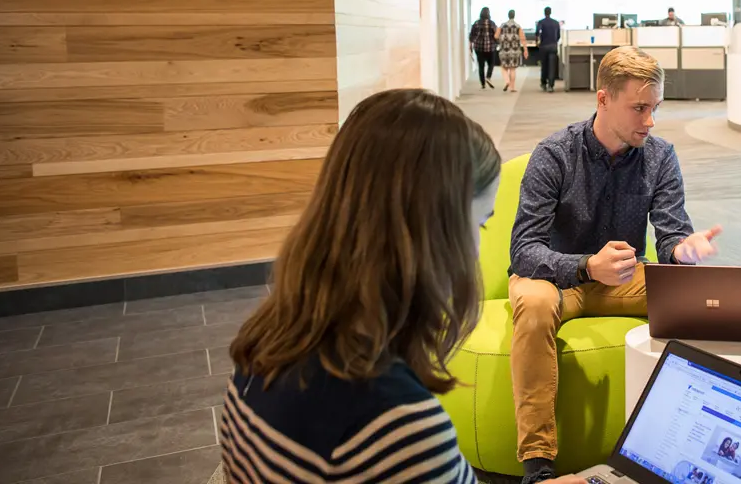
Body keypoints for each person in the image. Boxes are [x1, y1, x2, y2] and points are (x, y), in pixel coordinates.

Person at [218, 89, 585, 484]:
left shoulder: (262, 349)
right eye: (478, 223)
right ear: (431, 231)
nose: (477, 247)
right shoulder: (395, 423)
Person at [508, 46, 722, 483]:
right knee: (531, 306)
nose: (651, 121)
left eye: (655, 107)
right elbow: (523, 250)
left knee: (705, 298)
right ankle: (538, 467)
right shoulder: (554, 154)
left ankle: (678, 452)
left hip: (621, 281)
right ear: (603, 99)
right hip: (554, 280)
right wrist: (587, 265)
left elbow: (671, 235)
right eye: (640, 108)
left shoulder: (660, 156)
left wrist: (683, 251)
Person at [498, 9, 530, 93]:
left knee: (504, 67)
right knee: (512, 69)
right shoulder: (518, 26)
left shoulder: (502, 26)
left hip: (504, 49)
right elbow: (523, 38)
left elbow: (496, 36)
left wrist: (503, 37)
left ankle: (507, 81)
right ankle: (512, 87)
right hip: (515, 50)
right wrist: (525, 50)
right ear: (514, 15)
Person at [470, 7, 499, 89]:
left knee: (481, 66)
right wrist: (497, 42)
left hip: (479, 48)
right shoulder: (492, 23)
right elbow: (496, 35)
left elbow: (471, 36)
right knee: (491, 64)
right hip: (491, 47)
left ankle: (483, 84)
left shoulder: (476, 23)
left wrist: (470, 47)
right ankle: (488, 77)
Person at [535, 6, 561, 92]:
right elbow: (558, 36)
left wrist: (537, 42)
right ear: (550, 12)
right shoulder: (556, 23)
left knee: (544, 65)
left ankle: (543, 83)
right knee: (552, 67)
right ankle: (551, 85)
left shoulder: (541, 22)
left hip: (544, 46)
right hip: (553, 46)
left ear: (544, 12)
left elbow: (537, 33)